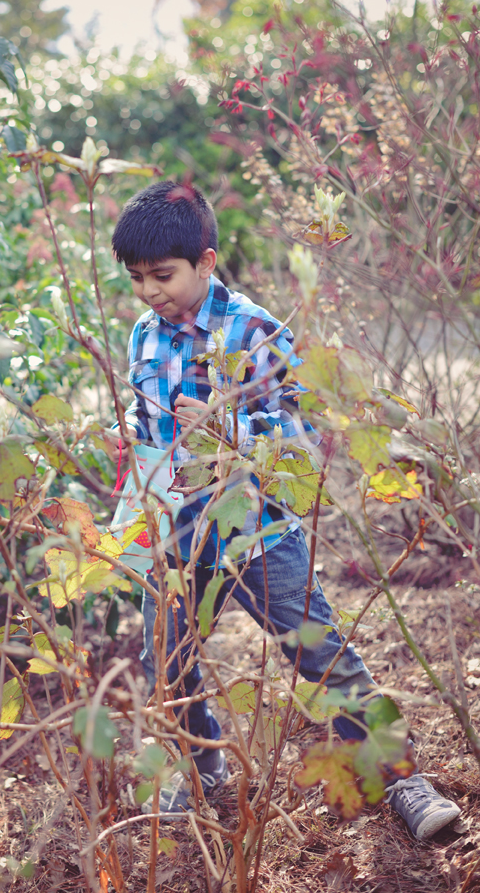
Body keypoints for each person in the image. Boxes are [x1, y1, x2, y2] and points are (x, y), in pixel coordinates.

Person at [110, 180, 461, 841]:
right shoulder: (142, 336)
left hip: (259, 528)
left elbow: (304, 431)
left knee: (321, 653)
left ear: (205, 262)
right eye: (136, 279)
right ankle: (200, 768)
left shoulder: (254, 328)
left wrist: (229, 431)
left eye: (162, 275)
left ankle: (402, 778)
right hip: (176, 527)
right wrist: (126, 443)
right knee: (169, 661)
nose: (149, 291)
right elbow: (142, 415)